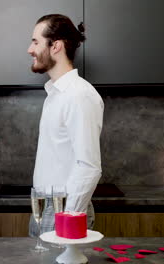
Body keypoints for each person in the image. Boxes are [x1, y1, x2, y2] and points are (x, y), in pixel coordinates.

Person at [27, 14, 104, 236]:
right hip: (45, 206)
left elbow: (89, 166)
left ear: (55, 46)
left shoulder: (79, 95)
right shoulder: (55, 94)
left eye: (35, 42)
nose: (29, 50)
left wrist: (67, 218)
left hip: (63, 208)